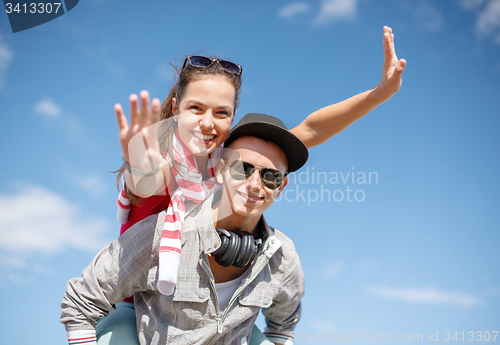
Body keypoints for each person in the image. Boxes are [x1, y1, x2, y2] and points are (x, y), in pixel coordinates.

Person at [98, 25, 405, 343]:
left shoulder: (231, 163)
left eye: (221, 112)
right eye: (195, 108)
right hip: (137, 307)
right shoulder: (160, 162)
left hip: (197, 313)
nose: (207, 122)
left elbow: (311, 130)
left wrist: (381, 92)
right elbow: (146, 182)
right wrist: (140, 167)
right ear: (175, 106)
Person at [61, 113, 309, 345]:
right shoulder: (165, 234)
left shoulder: (283, 257)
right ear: (221, 170)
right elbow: (81, 299)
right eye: (242, 169)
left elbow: (283, 326)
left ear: (282, 186)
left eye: (270, 176)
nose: (255, 184)